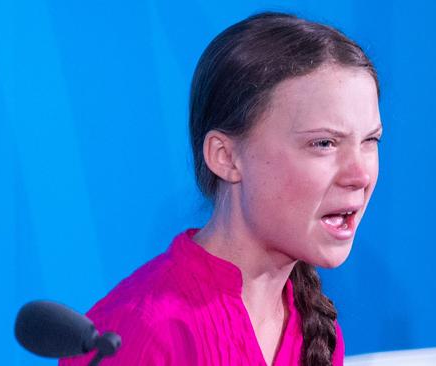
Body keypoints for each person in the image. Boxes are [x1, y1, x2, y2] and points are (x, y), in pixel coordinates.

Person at [60, 11, 381, 366]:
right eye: (324, 143)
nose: (360, 174)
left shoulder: (314, 330)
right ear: (225, 157)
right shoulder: (144, 332)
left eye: (371, 140)